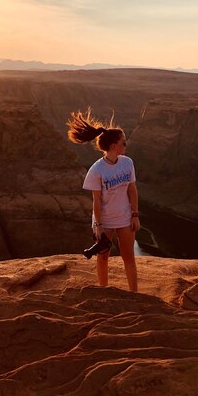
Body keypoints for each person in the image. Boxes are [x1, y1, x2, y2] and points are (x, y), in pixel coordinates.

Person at [67, 109, 140, 292]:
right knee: (103, 257)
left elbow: (132, 189)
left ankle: (135, 294)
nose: (126, 145)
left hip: (124, 217)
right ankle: (103, 291)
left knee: (128, 256)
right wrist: (98, 226)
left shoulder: (127, 163)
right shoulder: (97, 170)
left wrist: (135, 215)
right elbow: (96, 201)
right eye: (124, 142)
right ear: (115, 146)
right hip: (104, 220)